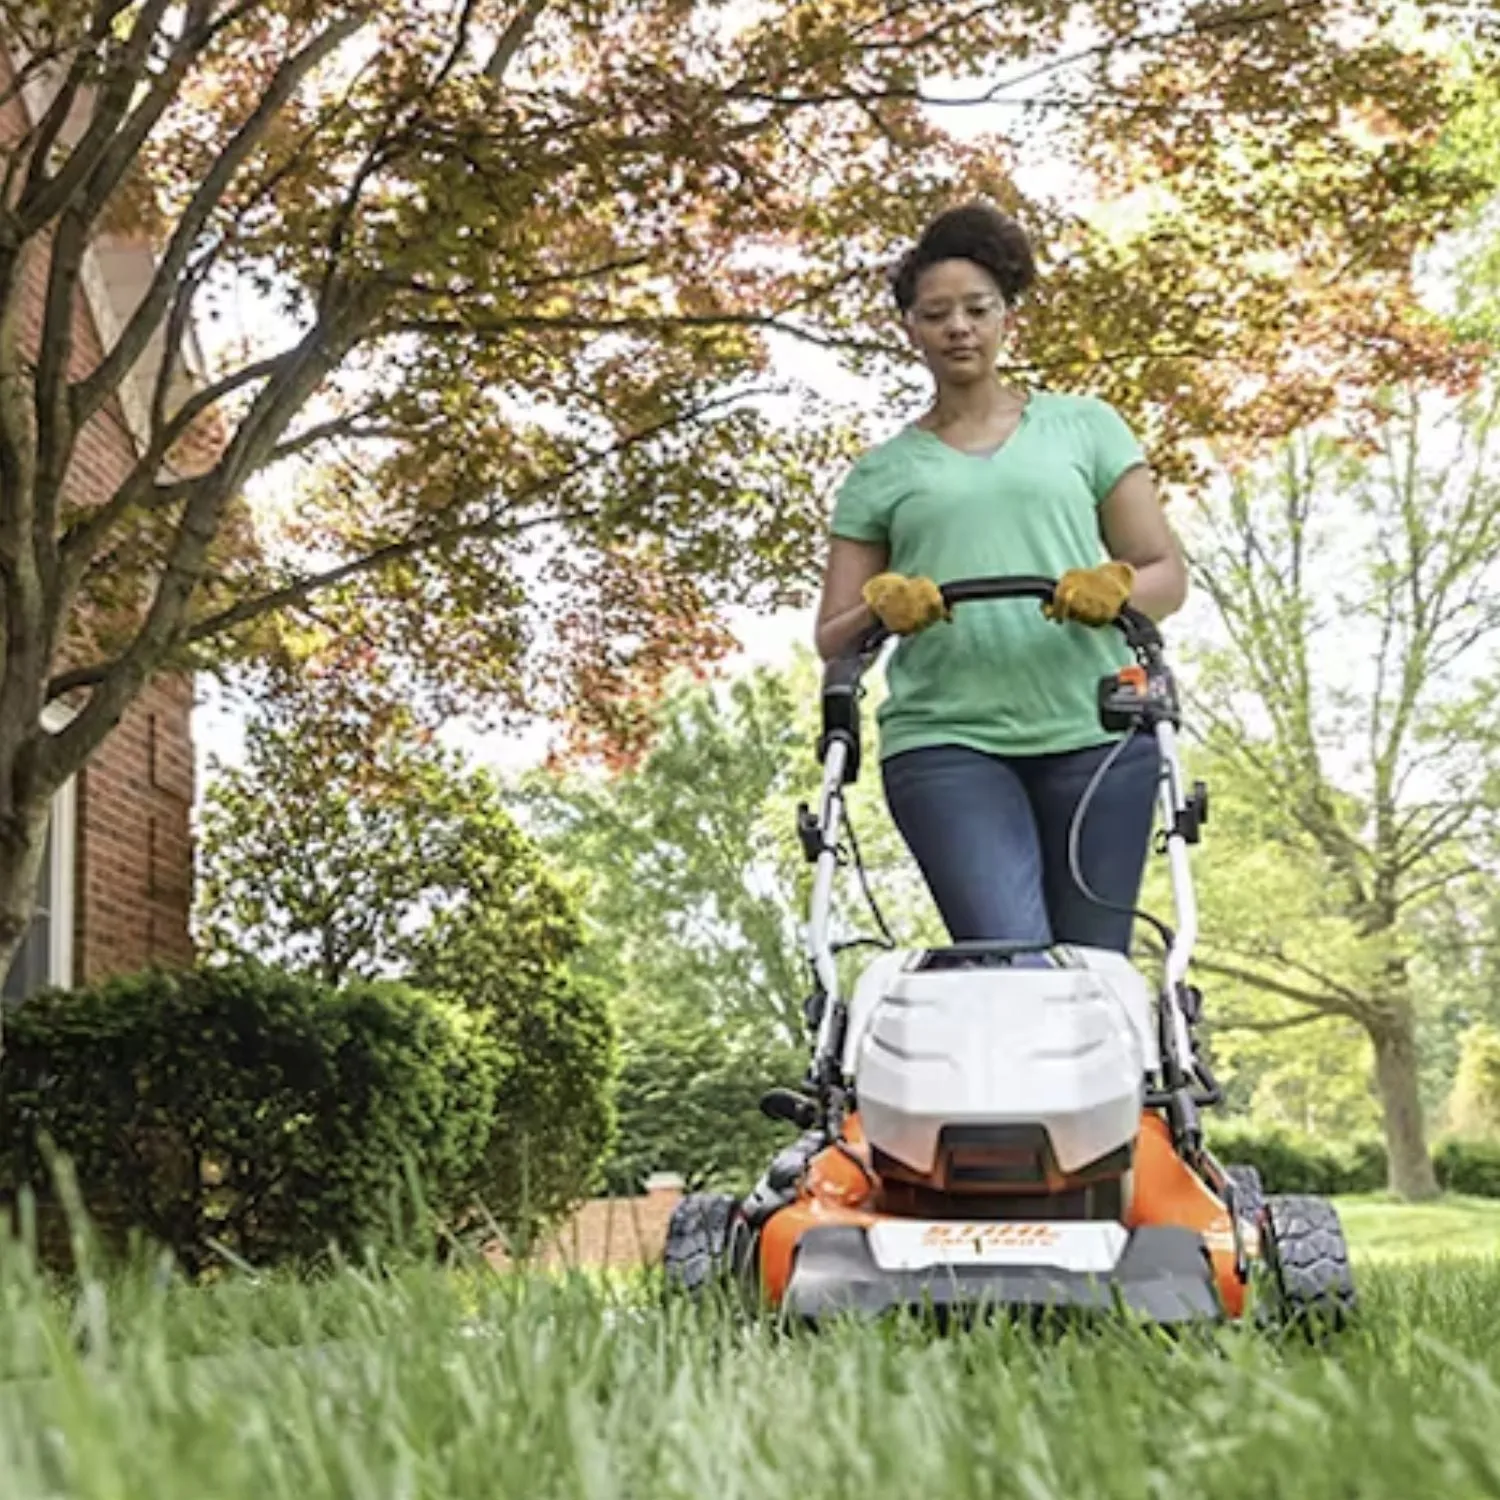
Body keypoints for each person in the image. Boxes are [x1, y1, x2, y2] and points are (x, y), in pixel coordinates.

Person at [814, 202, 1188, 955]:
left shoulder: (1085, 428)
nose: (960, 327)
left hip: (1097, 731)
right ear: (910, 328)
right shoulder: (880, 473)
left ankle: (1112, 1071)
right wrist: (882, 607)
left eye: (978, 309)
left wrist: (1115, 588)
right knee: (1009, 958)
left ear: (1007, 317)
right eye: (937, 313)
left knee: (1091, 964)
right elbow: (833, 636)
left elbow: (1167, 574)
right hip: (947, 740)